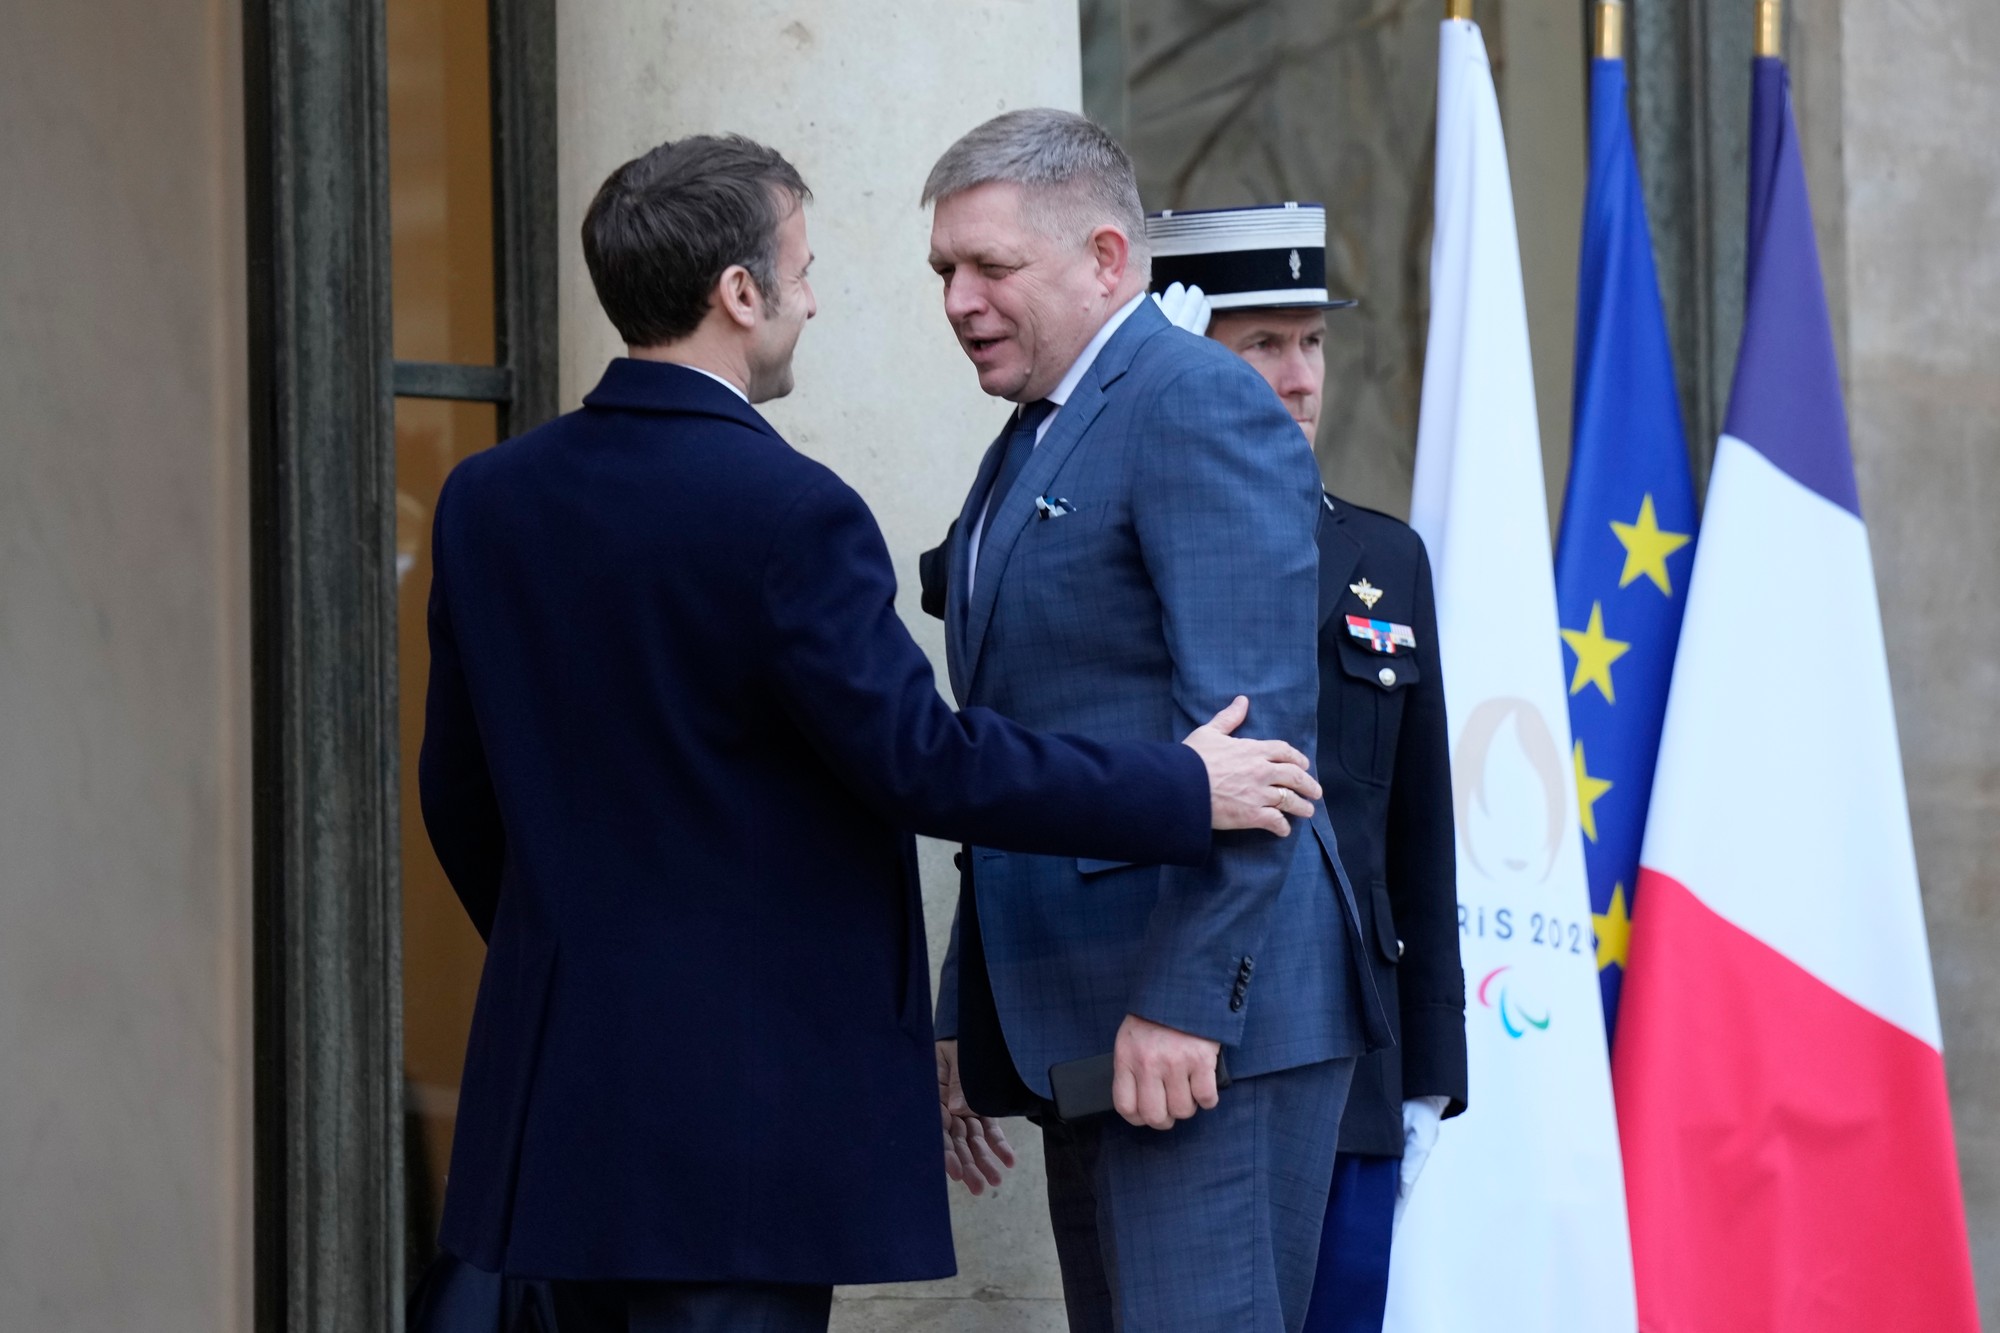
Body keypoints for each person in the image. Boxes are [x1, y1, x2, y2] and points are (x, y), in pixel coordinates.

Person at [412, 133, 1328, 1333]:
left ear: (1107, 257)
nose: (820, 297)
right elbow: (924, 759)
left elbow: (456, 795)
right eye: (802, 269)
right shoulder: (792, 507)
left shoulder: (485, 497)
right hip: (758, 1107)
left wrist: (588, 955)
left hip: (571, 1093)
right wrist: (1175, 786)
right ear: (740, 295)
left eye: (982, 264)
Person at [921, 111, 1392, 1333]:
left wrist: (1187, 998)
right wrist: (959, 1013)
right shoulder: (1038, 424)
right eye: (944, 273)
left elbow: (1256, 746)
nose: (961, 301)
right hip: (1086, 1010)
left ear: (1106, 257)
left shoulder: (1190, 404)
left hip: (1198, 1026)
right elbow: (1020, 736)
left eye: (991, 268)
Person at [1145, 204, 1468, 1333]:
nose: (1295, 378)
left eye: (1311, 341)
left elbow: (1415, 827)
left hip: (1356, 1050)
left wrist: (1431, 1064)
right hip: (1191, 1052)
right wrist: (1124, 414)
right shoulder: (1115, 539)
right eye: (1259, 345)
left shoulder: (1383, 556)